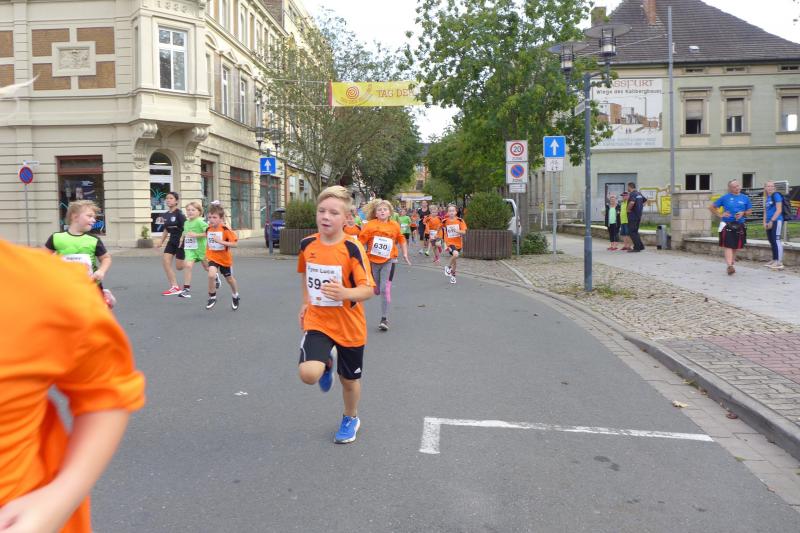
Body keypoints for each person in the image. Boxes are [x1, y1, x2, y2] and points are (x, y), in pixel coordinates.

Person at [0, 239, 145, 533]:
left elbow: (109, 392)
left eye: (93, 217)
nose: (91, 220)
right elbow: (49, 251)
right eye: (87, 217)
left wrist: (60, 496)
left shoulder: (46, 287)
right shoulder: (56, 247)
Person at [297, 185, 374, 444]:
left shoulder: (352, 248)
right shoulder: (307, 244)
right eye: (321, 211)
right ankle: (326, 363)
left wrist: (344, 292)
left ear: (346, 218)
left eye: (333, 212)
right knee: (308, 374)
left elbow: (367, 289)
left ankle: (351, 417)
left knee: (348, 381)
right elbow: (305, 275)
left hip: (349, 325)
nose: (326, 217)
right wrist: (305, 302)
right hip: (318, 320)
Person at [45, 200, 115, 308]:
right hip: (65, 287)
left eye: (94, 217)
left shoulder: (93, 240)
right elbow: (42, 258)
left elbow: (106, 258)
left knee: (93, 314)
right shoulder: (56, 238)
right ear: (75, 217)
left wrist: (101, 271)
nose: (93, 220)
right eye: (89, 216)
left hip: (91, 287)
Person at [359, 199, 411, 331]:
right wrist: (356, 255)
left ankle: (384, 318)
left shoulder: (394, 225)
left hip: (389, 261)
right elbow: (361, 241)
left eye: (385, 209)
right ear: (375, 213)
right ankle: (376, 288)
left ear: (390, 212)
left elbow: (401, 239)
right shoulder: (370, 225)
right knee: (376, 289)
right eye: (379, 210)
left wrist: (405, 254)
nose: (382, 211)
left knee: (384, 289)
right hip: (372, 261)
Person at [709, 179, 753, 275]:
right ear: (730, 188)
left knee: (735, 246)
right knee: (728, 245)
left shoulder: (745, 198)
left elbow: (750, 211)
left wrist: (743, 213)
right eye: (734, 187)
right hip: (727, 224)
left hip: (740, 224)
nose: (737, 188)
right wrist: (720, 215)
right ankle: (729, 266)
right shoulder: (725, 197)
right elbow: (712, 207)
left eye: (738, 186)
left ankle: (731, 263)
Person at [178, 201, 218, 298]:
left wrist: (196, 235)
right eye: (188, 210)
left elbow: (209, 232)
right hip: (190, 249)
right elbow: (185, 232)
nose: (190, 212)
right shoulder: (186, 222)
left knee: (207, 268)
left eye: (193, 210)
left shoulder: (200, 222)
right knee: (188, 265)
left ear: (199, 212)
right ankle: (186, 289)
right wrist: (181, 239)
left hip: (202, 249)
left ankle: (216, 276)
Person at [205, 204, 241, 310]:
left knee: (230, 279)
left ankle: (235, 295)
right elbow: (208, 242)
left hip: (224, 259)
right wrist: (206, 254)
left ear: (221, 219)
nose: (211, 219)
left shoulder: (225, 230)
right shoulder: (208, 229)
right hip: (213, 257)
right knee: (211, 275)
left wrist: (220, 241)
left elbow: (235, 244)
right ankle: (212, 296)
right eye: (210, 217)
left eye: (214, 217)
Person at [158, 192, 186, 295]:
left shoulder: (180, 214)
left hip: (181, 242)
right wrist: (161, 241)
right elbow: (166, 229)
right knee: (165, 262)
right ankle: (175, 287)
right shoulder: (165, 215)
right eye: (167, 198)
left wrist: (182, 240)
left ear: (176, 201)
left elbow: (186, 228)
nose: (168, 200)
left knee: (179, 267)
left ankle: (193, 259)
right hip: (171, 242)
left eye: (171, 198)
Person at [442, 204, 467, 284]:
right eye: (450, 211)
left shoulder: (460, 220)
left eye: (453, 211)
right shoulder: (445, 221)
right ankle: (447, 267)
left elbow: (464, 232)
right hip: (449, 242)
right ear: (447, 212)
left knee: (455, 260)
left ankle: (453, 276)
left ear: (456, 212)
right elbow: (439, 228)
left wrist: (457, 231)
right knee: (455, 254)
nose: (451, 212)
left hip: (458, 243)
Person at [763, 180, 785, 270]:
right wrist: (764, 222)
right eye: (768, 186)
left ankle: (779, 262)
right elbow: (765, 211)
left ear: (774, 188)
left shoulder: (776, 195)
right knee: (771, 240)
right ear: (765, 188)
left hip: (776, 220)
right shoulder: (767, 198)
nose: (770, 188)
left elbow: (779, 210)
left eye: (772, 186)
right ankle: (774, 259)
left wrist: (772, 220)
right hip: (769, 222)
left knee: (776, 240)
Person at [626, 182, 646, 252]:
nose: (627, 188)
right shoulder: (639, 194)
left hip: (632, 216)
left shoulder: (633, 194)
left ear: (630, 187)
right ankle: (641, 246)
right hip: (638, 215)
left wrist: (628, 209)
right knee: (635, 231)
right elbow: (645, 201)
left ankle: (637, 248)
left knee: (632, 232)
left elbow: (632, 202)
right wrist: (639, 207)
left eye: (628, 187)